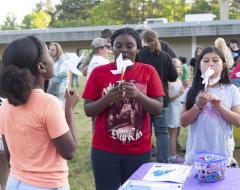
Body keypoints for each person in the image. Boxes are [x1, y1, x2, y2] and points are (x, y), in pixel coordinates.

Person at [82, 27, 165, 190]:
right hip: (104, 149)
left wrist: (138, 95)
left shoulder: (148, 71)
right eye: (118, 46)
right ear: (111, 48)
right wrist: (108, 98)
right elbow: (88, 110)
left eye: (129, 45)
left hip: (138, 149)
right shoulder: (99, 73)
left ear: (138, 48)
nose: (124, 50)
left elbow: (157, 108)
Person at [0, 36, 79, 190]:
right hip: (47, 185)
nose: (52, 57)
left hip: (15, 182)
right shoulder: (48, 103)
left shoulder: (6, 105)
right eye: (49, 55)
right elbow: (69, 151)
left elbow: (9, 154)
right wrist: (69, 109)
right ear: (42, 67)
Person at [181, 47, 240, 166]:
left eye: (215, 60)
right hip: (196, 155)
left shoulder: (231, 90)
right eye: (206, 61)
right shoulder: (190, 91)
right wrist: (198, 105)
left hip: (222, 154)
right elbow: (183, 122)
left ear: (223, 65)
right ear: (199, 65)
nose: (211, 64)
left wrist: (220, 107)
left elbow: (238, 121)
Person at [138, 29, 178, 163]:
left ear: (143, 40)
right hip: (161, 99)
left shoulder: (139, 55)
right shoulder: (165, 56)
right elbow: (173, 77)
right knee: (162, 133)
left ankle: (145, 162)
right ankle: (163, 162)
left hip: (143, 98)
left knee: (145, 132)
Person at [165, 58, 185, 163]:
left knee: (176, 132)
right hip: (172, 109)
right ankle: (171, 156)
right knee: (172, 133)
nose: (176, 69)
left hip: (178, 109)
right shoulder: (170, 82)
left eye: (178, 67)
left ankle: (173, 153)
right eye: (174, 67)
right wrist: (179, 94)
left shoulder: (179, 80)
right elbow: (168, 98)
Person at [47, 42, 69, 107]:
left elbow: (65, 73)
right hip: (54, 85)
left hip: (61, 87)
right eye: (50, 49)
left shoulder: (63, 58)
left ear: (58, 50)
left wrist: (52, 73)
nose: (50, 51)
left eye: (53, 50)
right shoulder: (54, 58)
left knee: (60, 105)